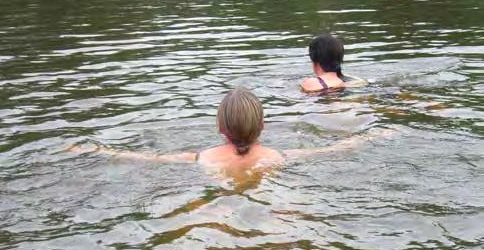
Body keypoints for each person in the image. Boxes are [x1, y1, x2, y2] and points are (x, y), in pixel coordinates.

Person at [68, 88, 392, 178]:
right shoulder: (278, 156)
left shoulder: (201, 158)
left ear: (220, 128)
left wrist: (98, 151)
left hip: (219, 189)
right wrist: (370, 137)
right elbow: (332, 150)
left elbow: (148, 159)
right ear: (262, 126)